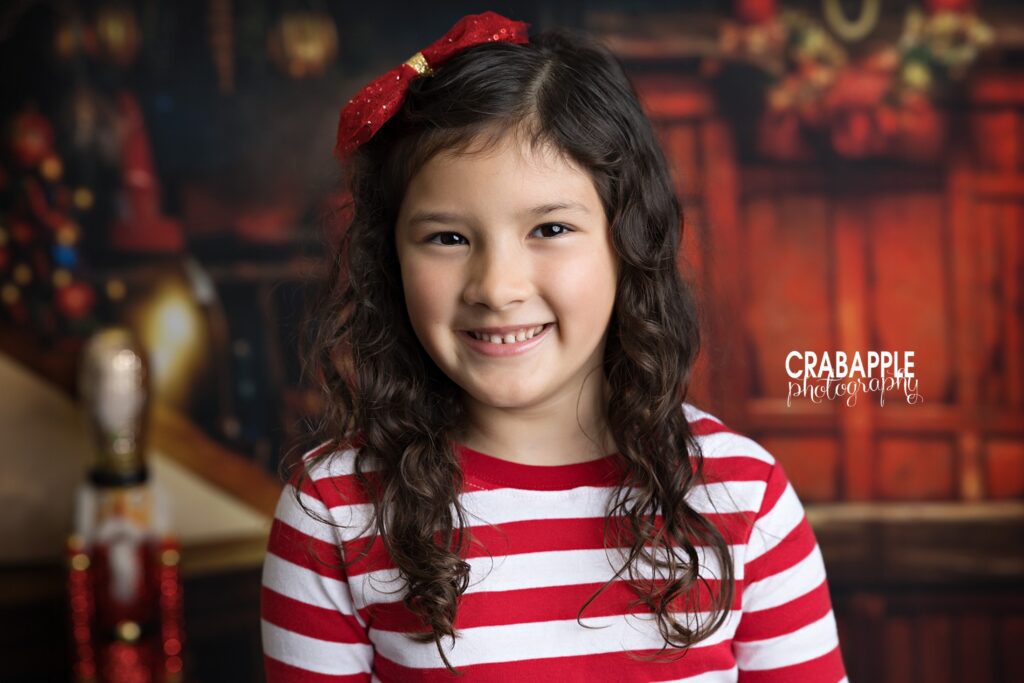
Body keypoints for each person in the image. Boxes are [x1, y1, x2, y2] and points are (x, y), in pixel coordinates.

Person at [260, 11, 848, 682]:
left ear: (627, 239)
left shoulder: (744, 499)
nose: (497, 286)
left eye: (550, 227)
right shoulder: (333, 512)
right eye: (447, 238)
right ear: (389, 260)